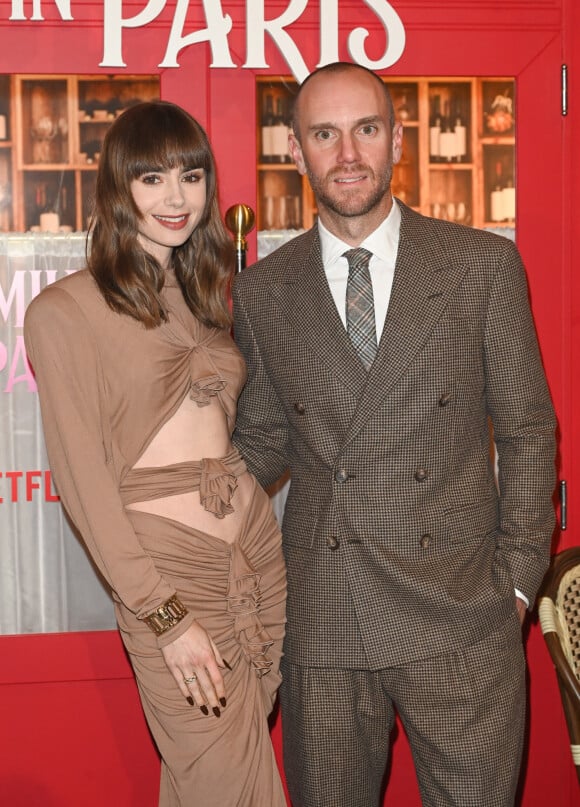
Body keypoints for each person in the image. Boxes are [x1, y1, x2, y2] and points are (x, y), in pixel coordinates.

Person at [232, 62, 556, 807]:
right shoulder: (262, 292)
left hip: (461, 606)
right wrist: (172, 480)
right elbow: (267, 440)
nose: (348, 153)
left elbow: (530, 429)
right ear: (296, 147)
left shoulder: (480, 266)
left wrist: (513, 582)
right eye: (325, 133)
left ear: (396, 138)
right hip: (328, 610)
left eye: (366, 129)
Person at [24, 100, 287, 807]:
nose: (177, 197)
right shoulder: (63, 311)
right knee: (227, 783)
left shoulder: (203, 296)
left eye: (192, 176)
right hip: (169, 579)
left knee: (214, 781)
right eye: (153, 179)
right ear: (119, 190)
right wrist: (162, 613)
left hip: (254, 565)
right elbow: (85, 487)